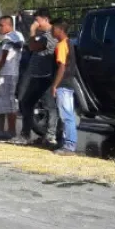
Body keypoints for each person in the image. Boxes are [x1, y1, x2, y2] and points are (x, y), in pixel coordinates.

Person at [10, 8, 59, 147]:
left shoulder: (50, 35)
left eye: (37, 20)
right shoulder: (44, 34)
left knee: (49, 106)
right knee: (27, 102)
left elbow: (32, 46)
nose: (36, 23)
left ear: (46, 19)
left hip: (45, 77)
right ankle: (26, 133)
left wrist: (32, 31)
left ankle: (50, 135)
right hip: (37, 75)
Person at [0, 16, 25, 139]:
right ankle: (0, 129)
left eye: (1, 25)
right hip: (4, 73)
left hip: (9, 73)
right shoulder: (7, 38)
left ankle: (11, 131)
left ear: (9, 25)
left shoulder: (13, 36)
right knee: (0, 101)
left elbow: (3, 58)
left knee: (9, 103)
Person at [50, 18, 77, 156]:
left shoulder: (61, 45)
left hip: (63, 84)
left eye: (53, 28)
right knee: (68, 114)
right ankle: (67, 143)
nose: (51, 30)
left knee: (66, 115)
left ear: (60, 29)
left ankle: (69, 146)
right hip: (68, 83)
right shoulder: (69, 43)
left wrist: (55, 85)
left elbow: (62, 66)